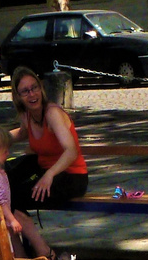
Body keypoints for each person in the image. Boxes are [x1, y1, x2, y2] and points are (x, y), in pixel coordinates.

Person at [0, 120, 52, 260]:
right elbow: (0, 201)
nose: (8, 153)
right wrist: (12, 220)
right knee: (5, 259)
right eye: (4, 150)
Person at [6, 66, 89, 210]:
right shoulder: (27, 115)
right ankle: (17, 230)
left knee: (16, 196)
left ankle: (25, 232)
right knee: (3, 179)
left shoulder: (52, 113)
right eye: (25, 91)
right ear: (18, 96)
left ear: (41, 88)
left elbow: (71, 151)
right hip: (45, 169)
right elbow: (22, 133)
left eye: (35, 88)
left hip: (71, 176)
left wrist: (49, 175)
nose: (32, 94)